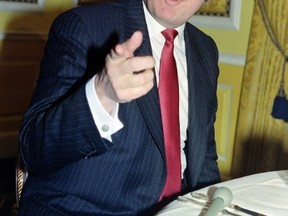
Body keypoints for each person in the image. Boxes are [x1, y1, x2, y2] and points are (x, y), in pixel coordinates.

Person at [18, 0, 221, 215]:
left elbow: (204, 154)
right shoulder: (85, 26)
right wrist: (101, 95)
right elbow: (33, 149)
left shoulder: (205, 49)